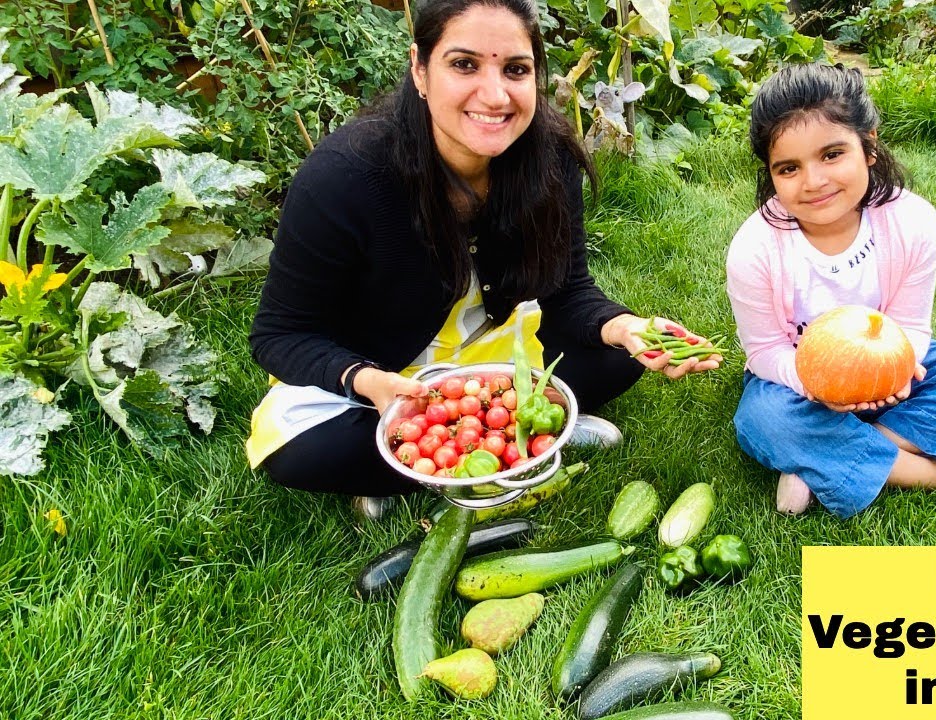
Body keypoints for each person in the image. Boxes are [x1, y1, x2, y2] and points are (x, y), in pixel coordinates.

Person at [246, 0, 719, 517]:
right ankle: (525, 441)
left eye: (515, 70)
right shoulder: (345, 176)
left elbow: (568, 292)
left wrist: (628, 328)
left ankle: (480, 441)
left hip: (492, 348)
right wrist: (369, 382)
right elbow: (280, 334)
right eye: (464, 64)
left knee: (620, 358)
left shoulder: (550, 157)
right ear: (420, 70)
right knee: (302, 454)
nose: (494, 95)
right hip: (381, 369)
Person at [726, 63, 936, 518]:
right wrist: (820, 389)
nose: (814, 181)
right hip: (798, 385)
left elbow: (912, 324)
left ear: (869, 146)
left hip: (891, 367)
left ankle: (841, 453)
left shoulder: (913, 222)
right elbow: (765, 350)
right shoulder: (754, 248)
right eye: (789, 167)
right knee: (762, 421)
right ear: (770, 173)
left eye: (831, 154)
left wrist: (899, 374)